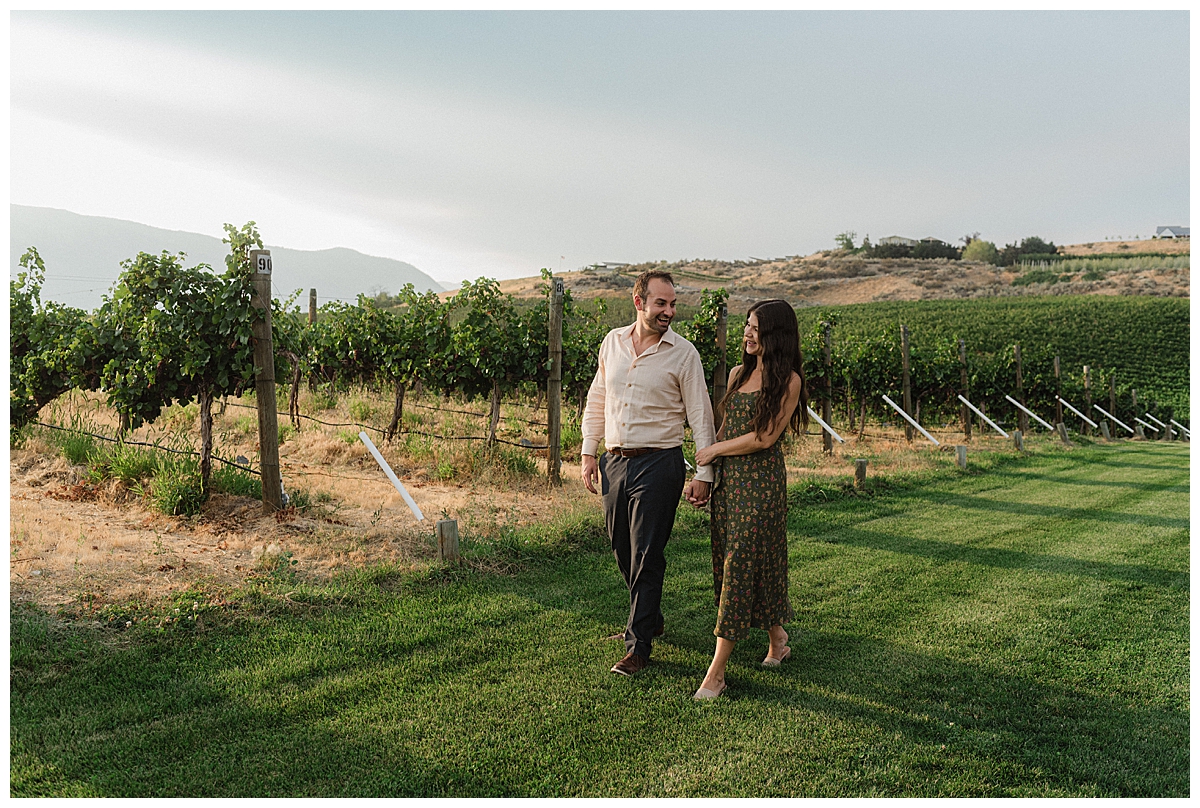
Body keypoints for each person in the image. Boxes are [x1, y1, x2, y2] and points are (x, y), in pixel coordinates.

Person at [581, 270, 717, 676]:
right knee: (622, 547)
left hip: (660, 462)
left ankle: (638, 644)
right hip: (615, 461)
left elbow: (701, 416)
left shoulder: (684, 354)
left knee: (646, 552)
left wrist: (704, 472)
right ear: (639, 302)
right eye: (661, 303)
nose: (669, 312)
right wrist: (589, 453)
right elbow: (597, 398)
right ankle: (651, 615)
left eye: (673, 304)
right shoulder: (613, 342)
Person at [691, 299, 809, 700]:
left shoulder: (789, 381)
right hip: (729, 486)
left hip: (762, 486)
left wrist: (714, 452)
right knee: (744, 562)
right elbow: (725, 429)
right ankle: (778, 638)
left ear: (777, 335)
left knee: (740, 563)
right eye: (746, 325)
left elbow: (765, 437)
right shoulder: (739, 374)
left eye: (756, 327)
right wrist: (702, 475)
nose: (747, 333)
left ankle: (716, 674)